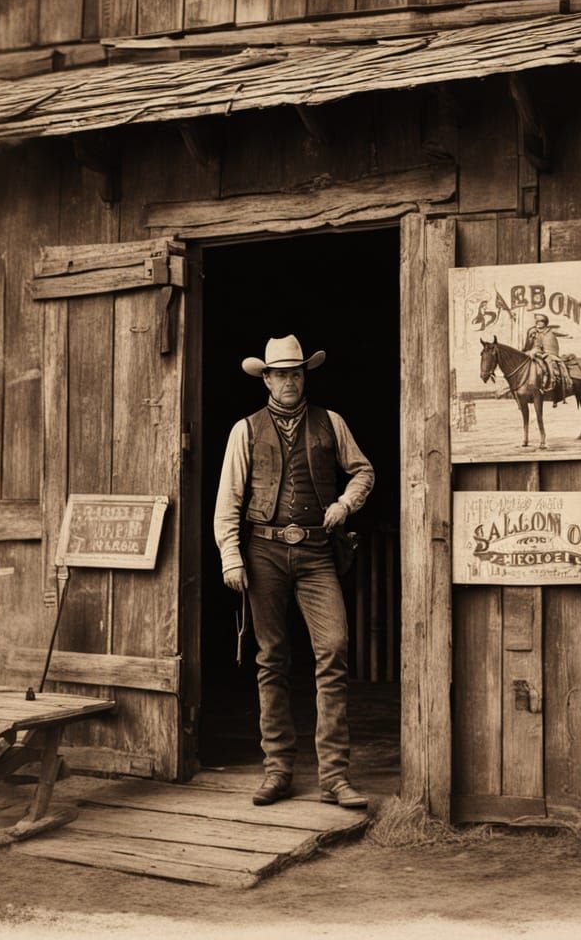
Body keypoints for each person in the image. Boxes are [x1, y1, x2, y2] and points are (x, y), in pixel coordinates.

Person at [214, 334, 375, 810]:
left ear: (306, 376)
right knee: (272, 658)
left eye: (297, 372)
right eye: (281, 373)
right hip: (262, 551)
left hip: (317, 553)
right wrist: (231, 556)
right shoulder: (245, 429)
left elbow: (363, 470)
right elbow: (229, 499)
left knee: (334, 649)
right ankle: (278, 770)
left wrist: (345, 505)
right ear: (266, 378)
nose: (289, 381)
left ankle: (335, 777)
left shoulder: (332, 422)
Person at [522, 313, 572, 396]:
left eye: (541, 321)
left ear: (545, 323)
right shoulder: (533, 331)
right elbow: (528, 345)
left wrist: (567, 335)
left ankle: (552, 380)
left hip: (550, 352)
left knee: (549, 362)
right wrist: (531, 338)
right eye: (537, 321)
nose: (539, 323)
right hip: (537, 351)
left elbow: (563, 333)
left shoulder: (550, 330)